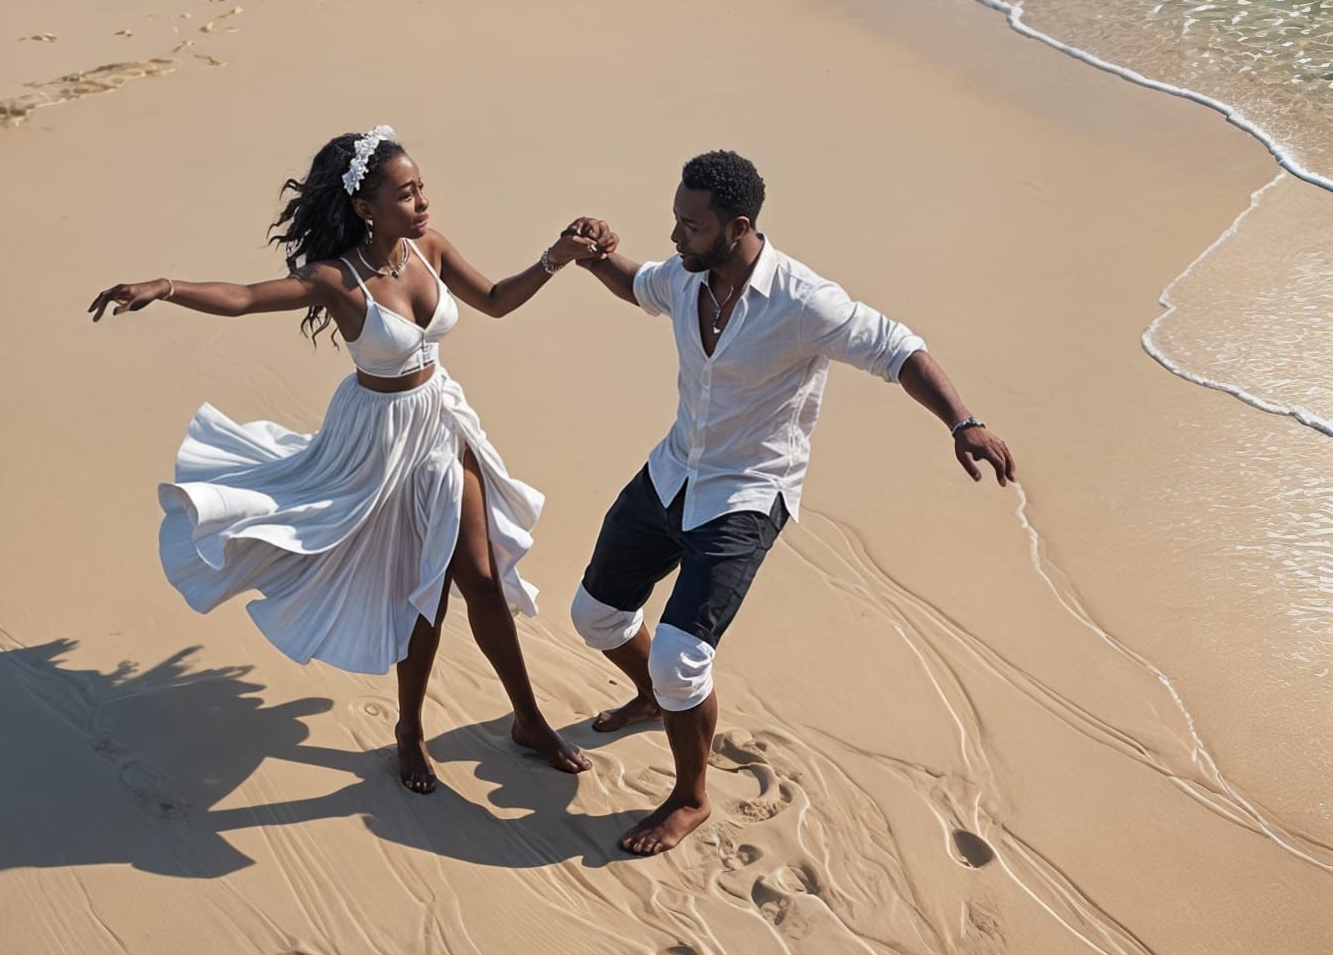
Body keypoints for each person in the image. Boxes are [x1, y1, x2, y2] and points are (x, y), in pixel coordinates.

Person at [88, 125, 610, 795]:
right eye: (406, 194)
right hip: (376, 441)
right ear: (366, 207)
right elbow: (244, 299)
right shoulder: (336, 278)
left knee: (481, 581)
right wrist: (164, 286)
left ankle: (529, 720)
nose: (422, 202)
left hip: (441, 422)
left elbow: (496, 302)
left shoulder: (429, 248)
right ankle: (409, 730)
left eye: (421, 187)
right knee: (424, 592)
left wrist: (555, 258)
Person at [569, 150, 1016, 855]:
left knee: (682, 658)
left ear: (738, 227)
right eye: (675, 220)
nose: (676, 236)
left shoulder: (804, 302)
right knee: (594, 615)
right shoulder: (685, 276)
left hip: (747, 492)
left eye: (691, 225)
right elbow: (640, 283)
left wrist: (963, 422)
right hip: (673, 471)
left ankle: (690, 798)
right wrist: (595, 258)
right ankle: (654, 697)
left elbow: (898, 350)